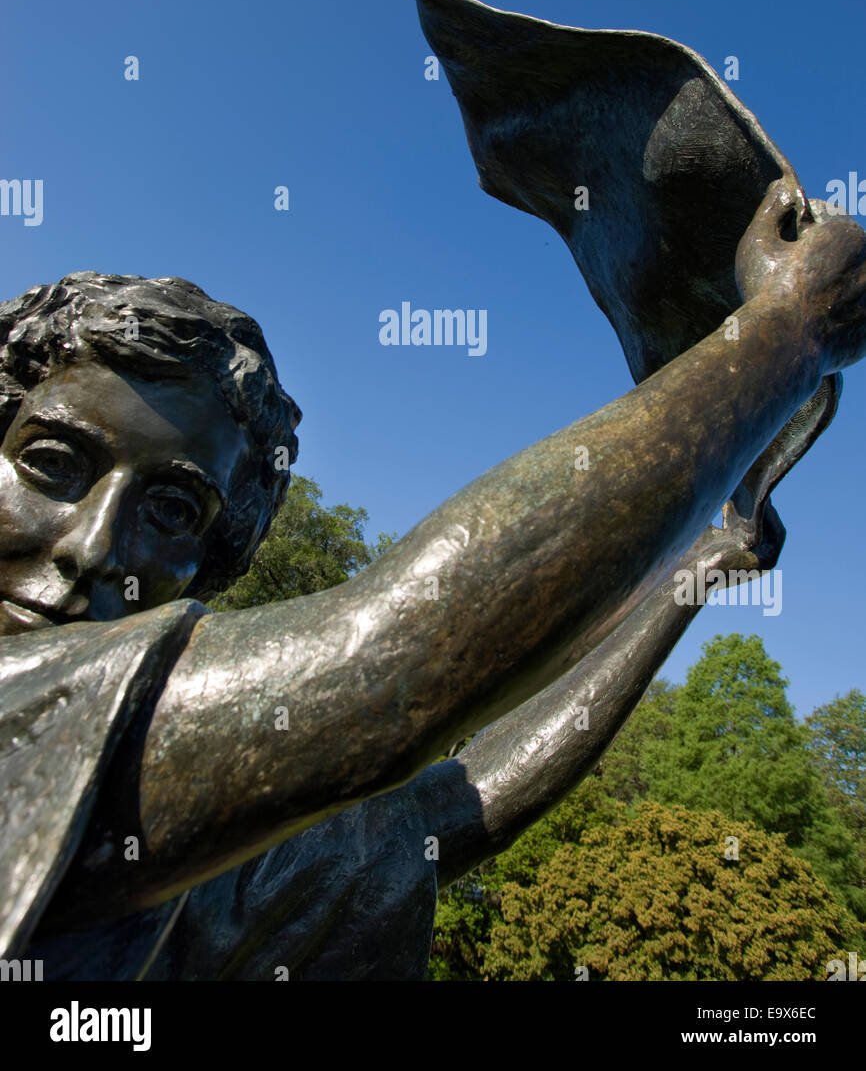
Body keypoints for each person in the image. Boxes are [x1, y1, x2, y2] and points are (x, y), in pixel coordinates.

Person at [1, 176, 864, 978]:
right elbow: (388, 672)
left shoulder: (170, 807)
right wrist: (791, 331)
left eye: (174, 512)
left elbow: (447, 809)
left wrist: (697, 569)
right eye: (51, 463)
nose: (92, 546)